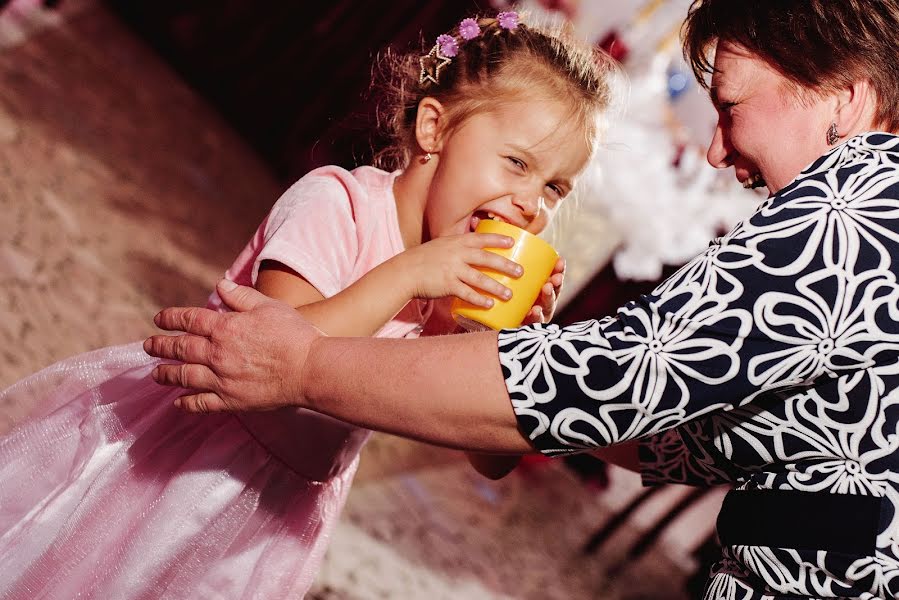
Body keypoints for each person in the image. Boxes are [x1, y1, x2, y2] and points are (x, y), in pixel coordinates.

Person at [146, 0, 899, 598]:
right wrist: (494, 358)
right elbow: (690, 432)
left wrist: (316, 365)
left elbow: (606, 385)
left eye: (728, 106)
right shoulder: (341, 203)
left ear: (843, 96)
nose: (715, 150)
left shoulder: (851, 217)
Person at [0, 12, 613, 598]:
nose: (532, 203)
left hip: (277, 513)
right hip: (183, 463)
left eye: (555, 188)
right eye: (517, 163)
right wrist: (407, 275)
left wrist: (508, 349)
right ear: (434, 130)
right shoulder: (336, 203)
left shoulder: (452, 288)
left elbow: (491, 460)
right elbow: (272, 344)